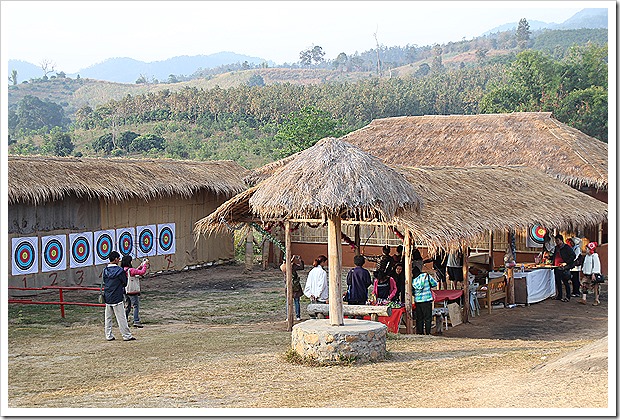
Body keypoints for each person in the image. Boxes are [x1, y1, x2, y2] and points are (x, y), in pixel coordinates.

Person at [103, 251, 135, 341]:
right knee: (121, 317)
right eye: (118, 258)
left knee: (108, 317)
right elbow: (124, 283)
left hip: (108, 295)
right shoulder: (120, 271)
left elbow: (105, 281)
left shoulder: (105, 270)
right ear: (116, 259)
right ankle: (126, 335)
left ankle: (108, 335)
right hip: (117, 295)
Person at [121, 255, 150, 328]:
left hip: (125, 290)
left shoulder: (123, 270)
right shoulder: (131, 270)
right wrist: (145, 265)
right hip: (132, 291)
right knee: (135, 306)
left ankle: (124, 321)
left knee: (127, 306)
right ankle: (136, 321)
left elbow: (135, 271)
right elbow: (142, 272)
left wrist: (140, 266)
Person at [552, 234, 577, 302]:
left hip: (564, 268)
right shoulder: (556, 248)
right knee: (558, 282)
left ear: (561, 240)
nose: (556, 242)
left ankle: (567, 296)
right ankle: (559, 295)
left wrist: (566, 262)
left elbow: (573, 256)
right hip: (556, 267)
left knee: (566, 282)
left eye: (557, 240)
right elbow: (554, 256)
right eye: (555, 241)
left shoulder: (567, 247)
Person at [280, 255, 305, 321]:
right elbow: (301, 267)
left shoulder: (283, 266)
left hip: (289, 285)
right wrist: (298, 260)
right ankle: (297, 316)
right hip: (295, 285)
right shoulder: (289, 266)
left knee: (289, 301)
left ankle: (289, 316)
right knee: (296, 301)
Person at [578, 242, 602, 306]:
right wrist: (583, 270)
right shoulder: (587, 256)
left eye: (587, 248)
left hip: (593, 274)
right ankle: (584, 298)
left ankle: (596, 299)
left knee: (595, 287)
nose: (586, 250)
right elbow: (585, 264)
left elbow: (596, 265)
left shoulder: (595, 256)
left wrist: (594, 273)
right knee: (584, 285)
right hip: (587, 273)